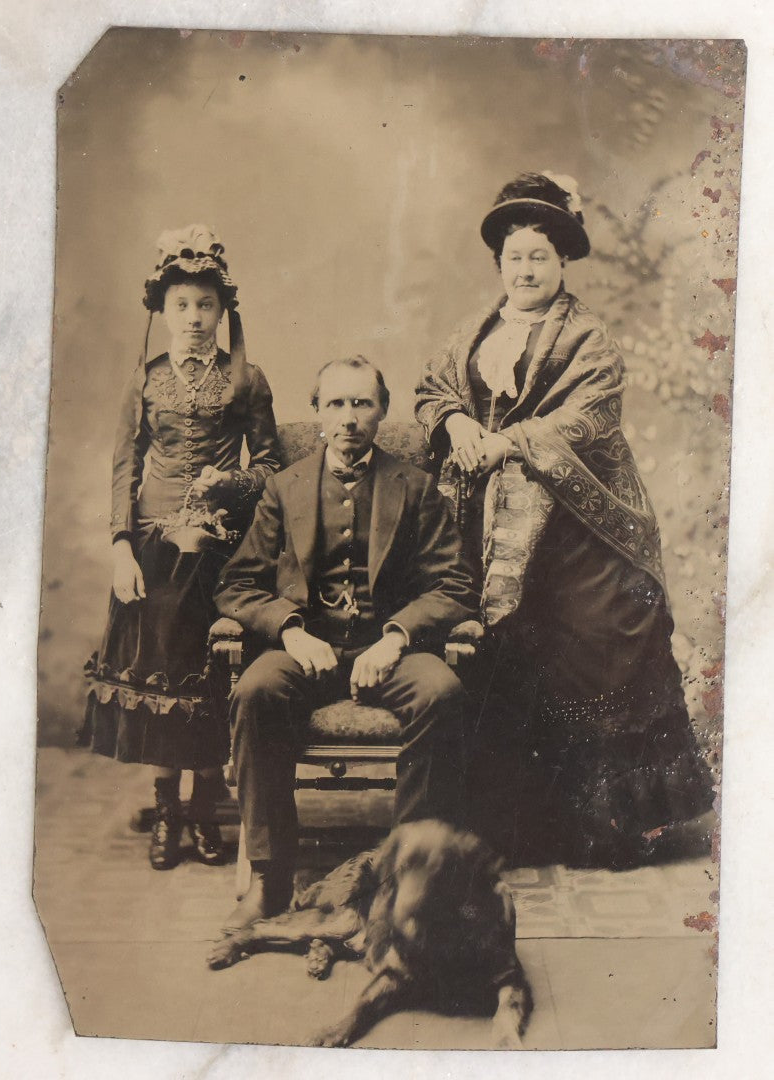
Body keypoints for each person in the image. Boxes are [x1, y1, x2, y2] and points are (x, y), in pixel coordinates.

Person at [415, 173, 714, 866]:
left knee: (598, 638)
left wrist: (510, 441)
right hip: (491, 524)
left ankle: (613, 826)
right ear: (499, 264)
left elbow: (588, 416)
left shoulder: (589, 340)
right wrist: (457, 420)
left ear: (562, 265)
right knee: (502, 652)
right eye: (515, 257)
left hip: (580, 524)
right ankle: (521, 824)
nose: (526, 270)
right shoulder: (472, 334)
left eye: (539, 258)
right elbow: (431, 390)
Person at [207, 356, 478, 959]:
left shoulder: (416, 485)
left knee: (443, 693)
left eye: (361, 404)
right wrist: (292, 631)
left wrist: (396, 638)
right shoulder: (286, 486)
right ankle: (271, 880)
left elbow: (454, 584)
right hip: (307, 649)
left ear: (382, 411)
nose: (349, 418)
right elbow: (237, 583)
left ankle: (408, 871)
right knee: (254, 690)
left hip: (388, 649)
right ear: (317, 412)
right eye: (336, 404)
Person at [82, 225, 281, 871]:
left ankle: (204, 808)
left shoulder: (247, 380)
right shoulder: (145, 381)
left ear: (223, 312)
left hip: (226, 549)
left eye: (205, 306)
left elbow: (273, 463)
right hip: (155, 548)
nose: (194, 319)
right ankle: (168, 807)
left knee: (213, 677)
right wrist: (120, 550)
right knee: (164, 671)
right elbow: (123, 467)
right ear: (163, 313)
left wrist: (234, 482)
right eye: (181, 306)